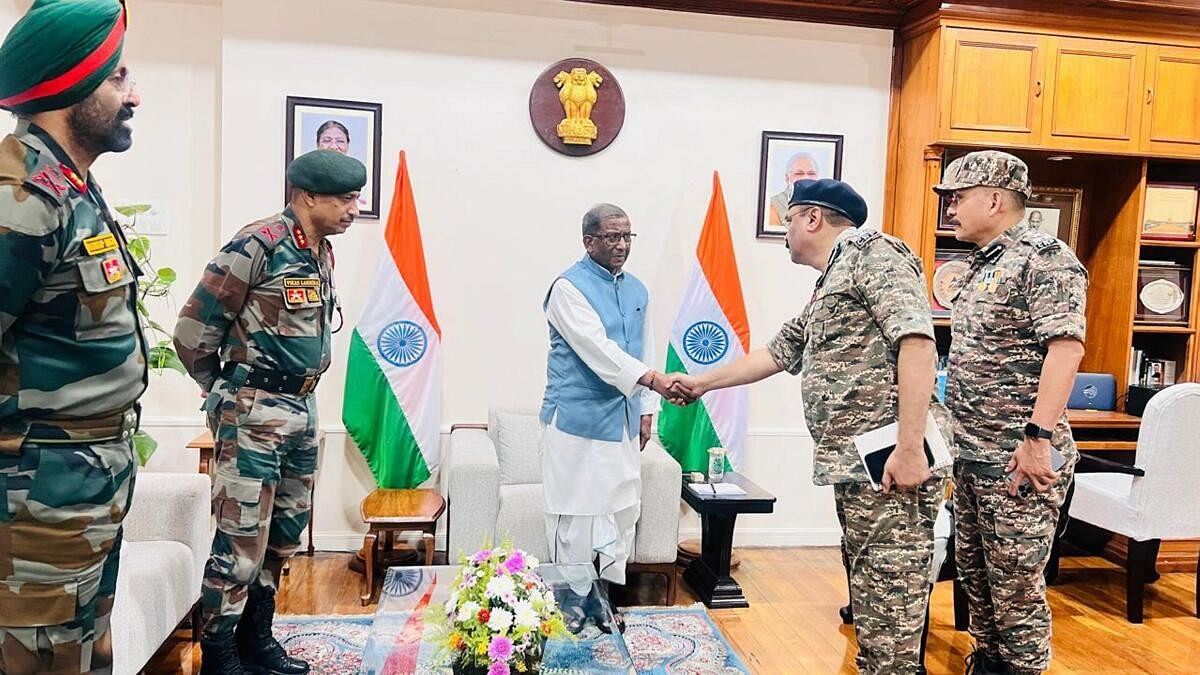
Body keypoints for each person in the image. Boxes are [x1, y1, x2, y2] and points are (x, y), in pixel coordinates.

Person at [670, 179, 951, 674]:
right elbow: (778, 353)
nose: (785, 230)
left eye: (789, 217)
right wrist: (699, 383)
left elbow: (917, 342)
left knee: (892, 594)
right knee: (872, 591)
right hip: (860, 464)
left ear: (814, 219)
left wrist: (909, 449)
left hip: (889, 460)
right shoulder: (831, 280)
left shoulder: (875, 255)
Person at [173, 149, 366, 674]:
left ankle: (258, 641)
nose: (354, 208)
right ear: (307, 196)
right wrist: (222, 393)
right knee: (239, 542)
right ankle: (219, 655)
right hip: (252, 412)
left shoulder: (320, 251)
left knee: (282, 537)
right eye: (345, 198)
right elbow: (192, 334)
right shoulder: (257, 244)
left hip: (301, 408)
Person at [0, 1, 147, 672]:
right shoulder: (21, 195)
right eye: (118, 79)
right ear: (70, 84)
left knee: (87, 657)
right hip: (36, 508)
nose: (134, 95)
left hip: (83, 500)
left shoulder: (72, 186)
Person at [934, 151, 1087, 675]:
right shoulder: (981, 266)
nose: (949, 209)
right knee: (978, 581)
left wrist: (1037, 438)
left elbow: (1066, 349)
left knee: (1016, 590)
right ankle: (990, 664)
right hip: (974, 457)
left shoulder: (1043, 258)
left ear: (995, 199)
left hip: (1019, 458)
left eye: (957, 197)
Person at [540, 203, 678, 611]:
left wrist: (649, 408)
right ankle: (571, 601)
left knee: (621, 508)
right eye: (612, 237)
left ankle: (607, 600)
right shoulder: (567, 288)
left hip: (623, 421)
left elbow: (647, 346)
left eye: (627, 237)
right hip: (576, 422)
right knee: (575, 515)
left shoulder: (638, 289)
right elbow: (597, 351)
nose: (621, 245)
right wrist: (652, 380)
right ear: (589, 241)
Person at [767, 152, 820, 228]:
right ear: (787, 178)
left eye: (811, 173)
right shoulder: (774, 205)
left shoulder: (824, 206)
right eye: (799, 173)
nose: (806, 178)